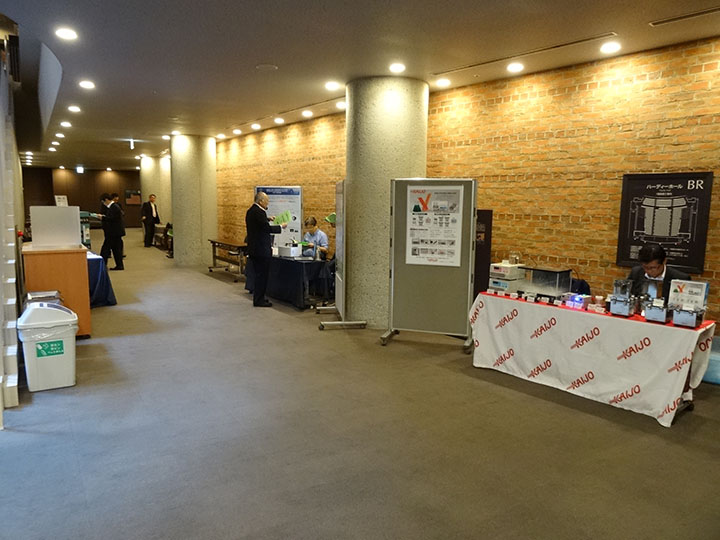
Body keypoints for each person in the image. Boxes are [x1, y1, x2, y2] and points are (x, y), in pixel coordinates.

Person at [245, 191, 285, 307]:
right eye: (267, 201)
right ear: (261, 201)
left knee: (259, 274)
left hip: (254, 249)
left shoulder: (251, 211)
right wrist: (280, 227)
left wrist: (268, 219)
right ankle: (259, 300)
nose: (268, 203)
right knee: (262, 276)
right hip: (261, 250)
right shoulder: (259, 212)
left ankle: (260, 297)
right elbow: (266, 228)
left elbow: (259, 223)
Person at [99, 193, 126, 270]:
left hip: (113, 232)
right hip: (115, 232)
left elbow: (112, 218)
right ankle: (119, 265)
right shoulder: (114, 206)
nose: (104, 204)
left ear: (106, 200)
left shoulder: (114, 207)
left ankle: (103, 266)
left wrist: (102, 218)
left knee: (105, 249)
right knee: (116, 250)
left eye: (103, 202)